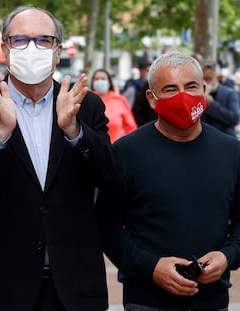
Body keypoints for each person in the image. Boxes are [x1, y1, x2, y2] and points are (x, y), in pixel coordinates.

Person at [0, 6, 118, 311]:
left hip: (74, 285)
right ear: (5, 48)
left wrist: (75, 131)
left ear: (58, 50)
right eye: (21, 40)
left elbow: (110, 175)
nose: (32, 48)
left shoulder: (84, 105)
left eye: (44, 40)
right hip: (0, 285)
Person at [98, 52, 240, 311]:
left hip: (213, 301)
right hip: (146, 301)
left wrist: (227, 256)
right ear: (152, 99)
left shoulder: (232, 152)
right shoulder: (125, 153)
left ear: (204, 90)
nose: (183, 97)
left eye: (191, 87)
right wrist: (151, 267)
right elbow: (106, 227)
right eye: (171, 89)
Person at [91, 68, 137, 142]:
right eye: (96, 79)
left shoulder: (120, 100)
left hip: (116, 148)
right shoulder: (86, 100)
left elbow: (131, 127)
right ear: (92, 83)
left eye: (103, 79)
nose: (99, 81)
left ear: (109, 83)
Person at [201, 60, 239, 138]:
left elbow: (234, 119)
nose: (205, 82)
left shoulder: (229, 93)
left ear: (217, 78)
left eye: (208, 79)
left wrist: (212, 105)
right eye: (202, 79)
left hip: (225, 138)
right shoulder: (198, 94)